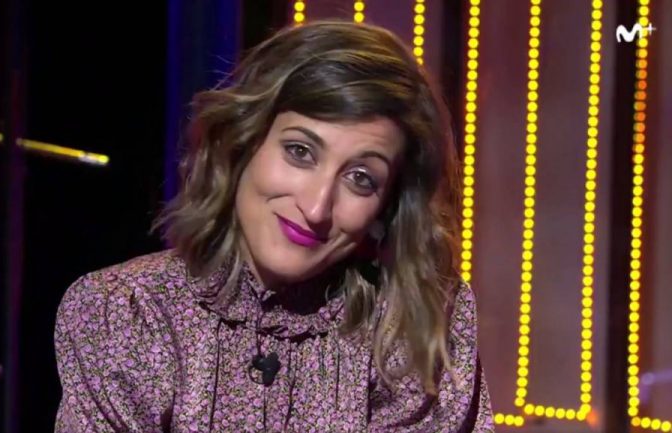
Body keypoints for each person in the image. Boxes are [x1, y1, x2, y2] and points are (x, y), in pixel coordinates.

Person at [53, 19, 494, 432]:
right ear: (242, 142)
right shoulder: (129, 313)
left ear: (388, 206)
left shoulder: (418, 327)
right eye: (300, 152)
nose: (316, 207)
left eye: (361, 179)